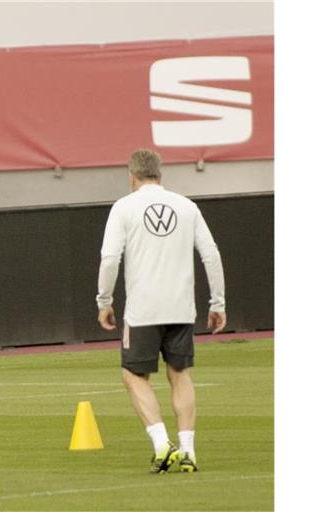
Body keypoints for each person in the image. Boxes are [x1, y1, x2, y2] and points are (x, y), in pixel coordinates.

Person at [96, 148, 226, 474]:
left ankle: (160, 444)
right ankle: (188, 451)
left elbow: (110, 259)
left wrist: (104, 301)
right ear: (160, 175)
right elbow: (210, 254)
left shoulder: (124, 208)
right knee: (180, 374)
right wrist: (217, 302)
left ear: (132, 176)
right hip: (181, 306)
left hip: (143, 308)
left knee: (133, 374)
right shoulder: (186, 206)